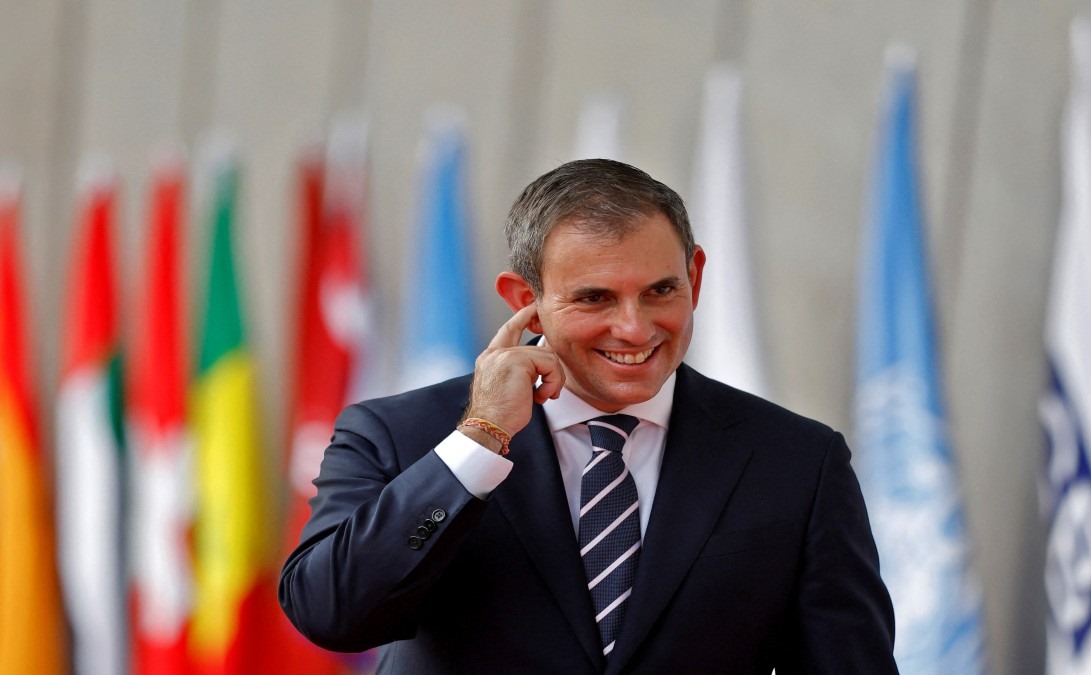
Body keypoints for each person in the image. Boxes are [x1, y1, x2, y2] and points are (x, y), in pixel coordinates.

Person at [279, 159, 897, 673]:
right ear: (527, 302)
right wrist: (479, 442)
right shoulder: (399, 435)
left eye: (660, 290)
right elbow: (333, 615)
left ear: (696, 277)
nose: (634, 327)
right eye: (595, 297)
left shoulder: (797, 461)